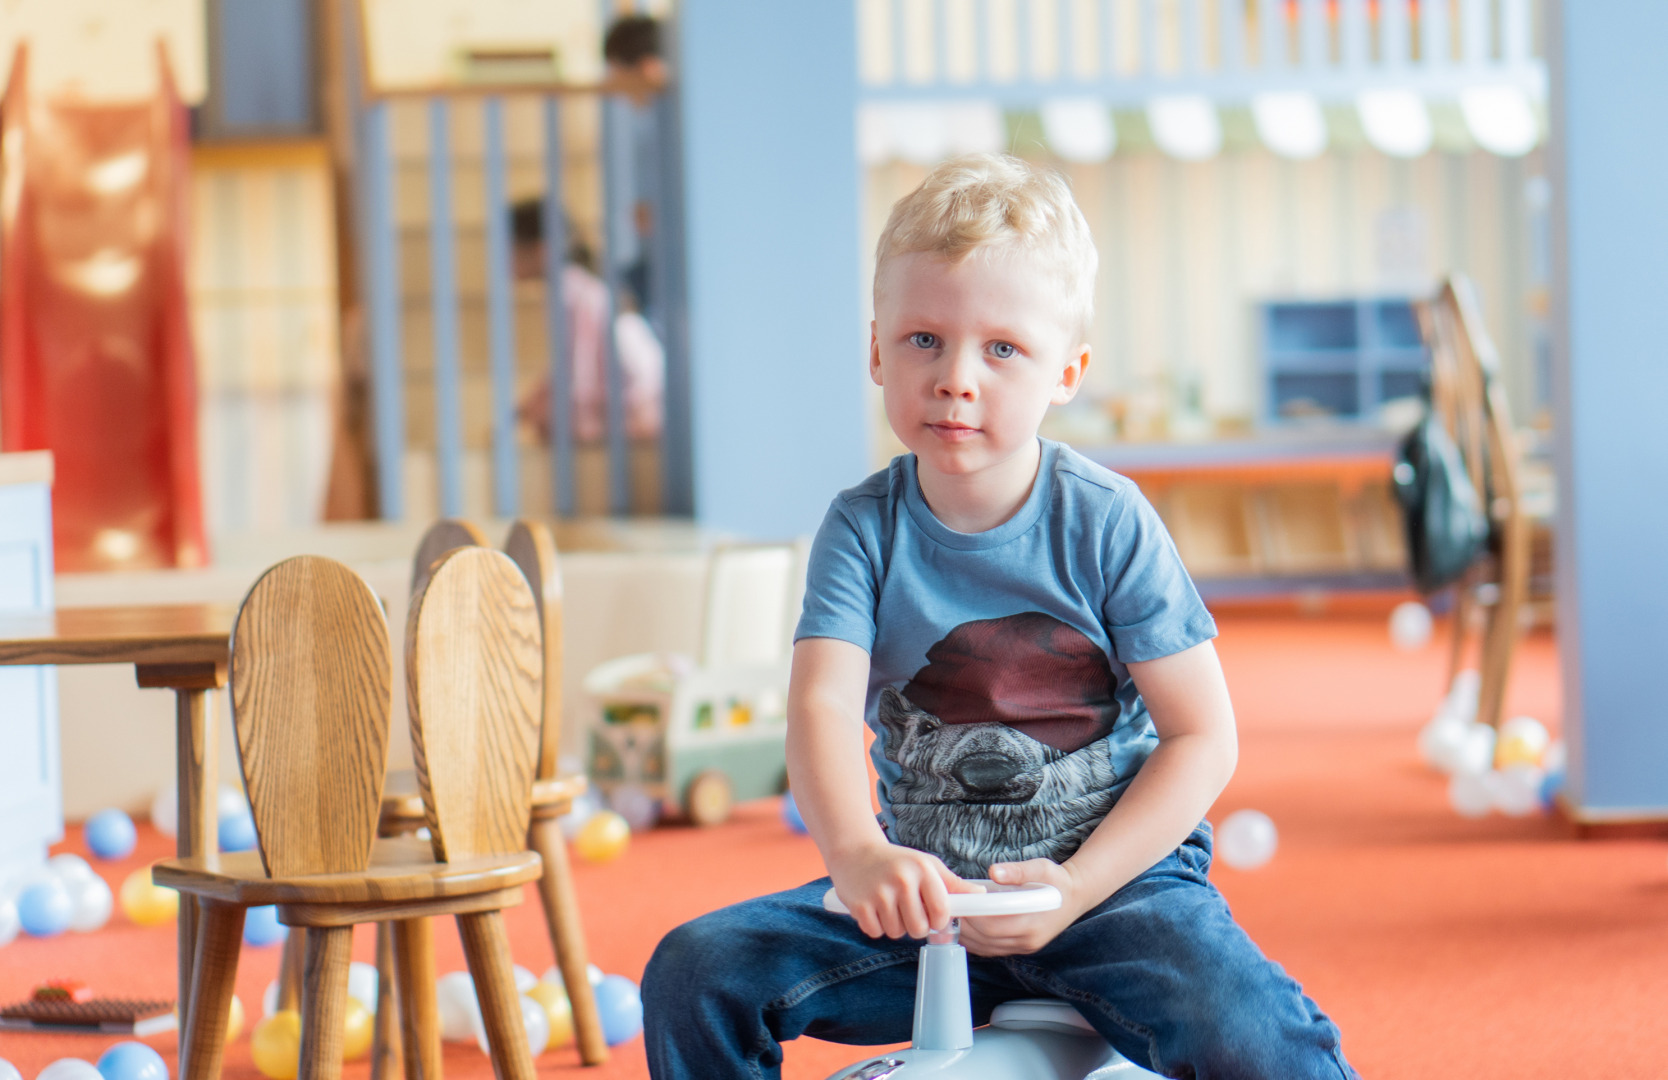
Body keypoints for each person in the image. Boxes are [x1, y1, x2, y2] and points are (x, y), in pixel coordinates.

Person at [641, 154, 1358, 1079]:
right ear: (875, 350)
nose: (956, 379)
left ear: (1068, 371)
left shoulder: (1105, 520)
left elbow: (1202, 737)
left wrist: (1078, 886)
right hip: (926, 905)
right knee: (693, 970)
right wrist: (858, 856)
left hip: (1115, 894)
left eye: (1003, 349)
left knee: (1257, 1035)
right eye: (923, 341)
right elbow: (821, 708)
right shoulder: (862, 527)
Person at [508, 198, 663, 446]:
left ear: (541, 250)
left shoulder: (569, 289)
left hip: (641, 413)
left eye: (510, 249)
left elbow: (580, 381)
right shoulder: (580, 283)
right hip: (645, 402)